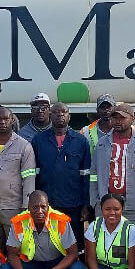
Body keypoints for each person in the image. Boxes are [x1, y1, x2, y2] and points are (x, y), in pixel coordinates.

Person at [0, 191, 87, 269]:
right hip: (32, 263)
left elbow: (73, 254)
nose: (40, 211)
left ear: (48, 207)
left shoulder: (60, 221)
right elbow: (12, 254)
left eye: (43, 207)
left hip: (57, 262)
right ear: (28, 208)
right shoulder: (19, 222)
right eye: (35, 207)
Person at [32, 101, 92, 249]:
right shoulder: (38, 140)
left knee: (74, 242)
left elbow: (86, 175)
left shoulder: (81, 141)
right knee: (49, 241)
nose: (60, 115)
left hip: (73, 203)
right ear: (50, 116)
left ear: (69, 116)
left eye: (64, 112)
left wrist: (85, 204)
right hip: (47, 203)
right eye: (56, 112)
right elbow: (34, 175)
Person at [89, 103, 135, 225]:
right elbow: (94, 175)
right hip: (106, 205)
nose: (118, 121)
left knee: (133, 242)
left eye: (122, 118)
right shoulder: (102, 143)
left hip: (134, 206)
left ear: (132, 119)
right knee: (106, 241)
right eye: (115, 118)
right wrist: (95, 202)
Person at [0, 106, 37, 229]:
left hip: (13, 207)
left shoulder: (24, 146)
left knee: (13, 246)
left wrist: (26, 206)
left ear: (12, 121)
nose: (2, 122)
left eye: (6, 119)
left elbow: (29, 179)